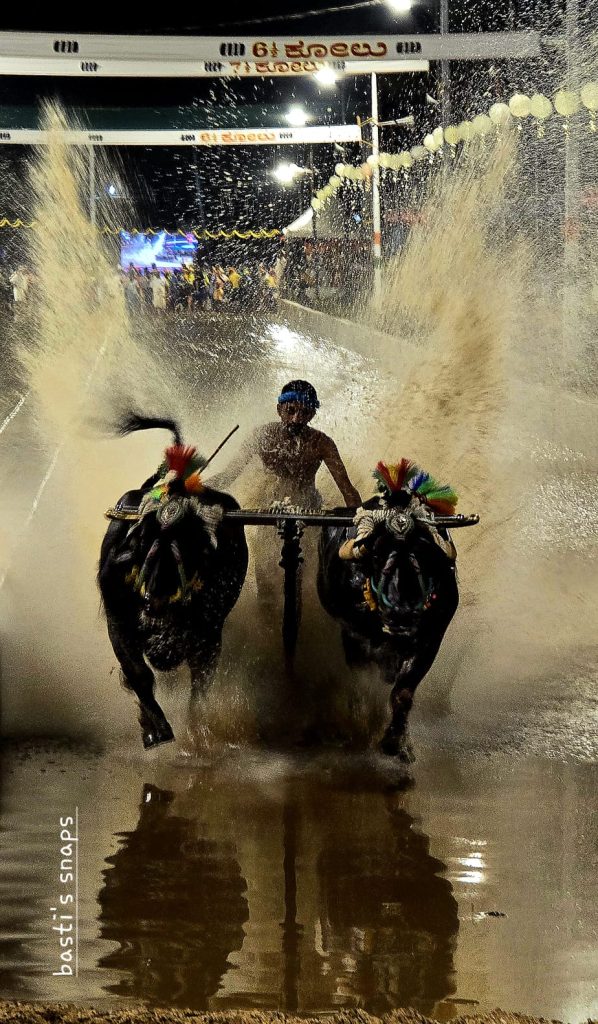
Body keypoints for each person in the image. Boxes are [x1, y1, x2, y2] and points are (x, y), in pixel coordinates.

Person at [208, 380, 361, 508]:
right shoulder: (261, 436)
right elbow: (228, 475)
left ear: (312, 415)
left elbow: (347, 490)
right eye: (291, 410)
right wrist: (196, 488)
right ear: (279, 410)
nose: (296, 419)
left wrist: (362, 519)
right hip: (267, 508)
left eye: (304, 413)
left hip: (308, 509)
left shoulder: (322, 444)